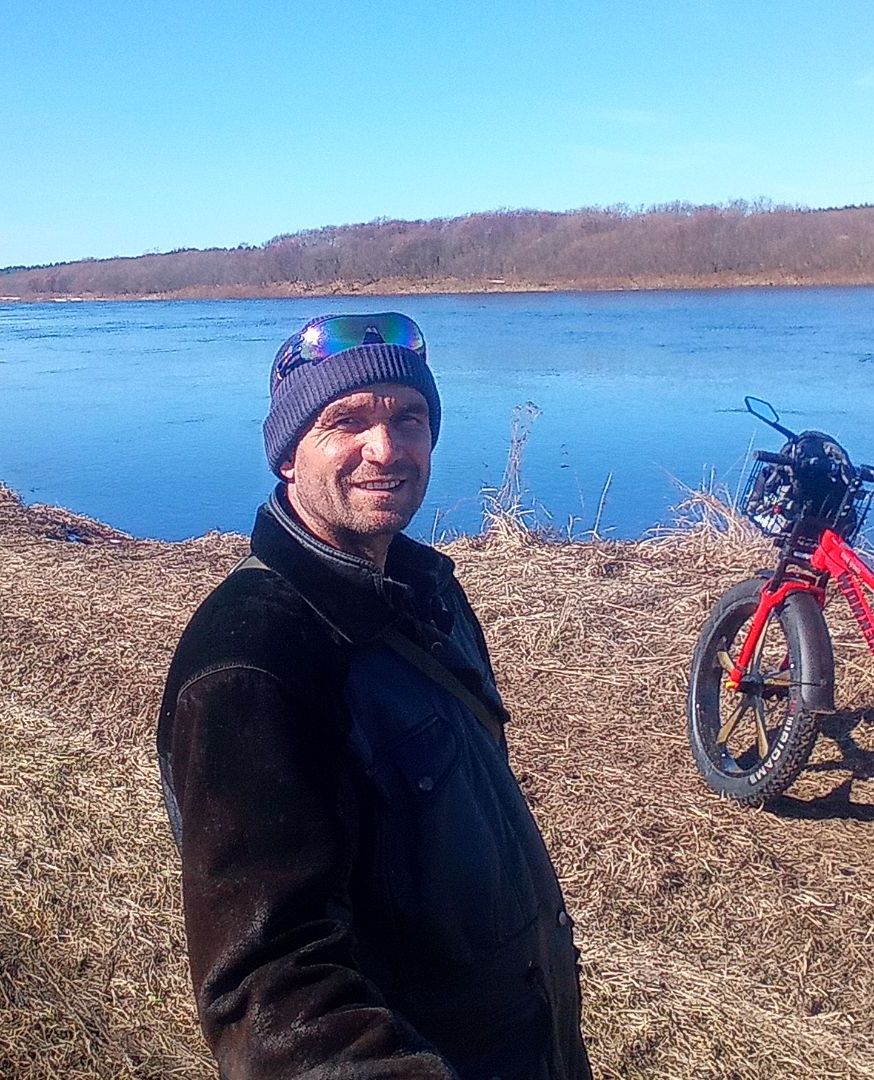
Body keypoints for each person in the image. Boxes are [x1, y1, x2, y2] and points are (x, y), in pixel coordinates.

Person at [156, 313, 591, 1079]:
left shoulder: (427, 595)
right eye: (346, 422)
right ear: (289, 455)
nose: (385, 449)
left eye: (408, 418)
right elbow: (270, 996)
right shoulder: (251, 666)